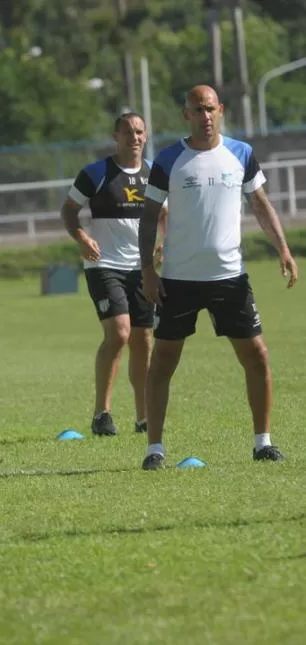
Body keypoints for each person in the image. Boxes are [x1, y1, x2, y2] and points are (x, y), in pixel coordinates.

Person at [138, 84, 298, 470]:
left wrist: (283, 249)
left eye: (210, 108)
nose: (205, 116)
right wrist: (147, 270)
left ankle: (263, 443)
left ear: (220, 110)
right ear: (186, 115)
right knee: (163, 361)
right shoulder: (169, 159)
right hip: (178, 279)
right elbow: (148, 216)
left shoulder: (240, 154)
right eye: (197, 109)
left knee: (256, 356)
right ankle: (154, 450)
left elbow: (260, 204)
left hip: (230, 278)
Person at [60, 113, 167, 437]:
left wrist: (165, 244)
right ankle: (101, 414)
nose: (134, 137)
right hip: (104, 265)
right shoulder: (96, 173)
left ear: (145, 136)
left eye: (139, 132)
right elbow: (68, 210)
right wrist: (81, 237)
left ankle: (143, 417)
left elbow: (165, 215)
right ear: (116, 136)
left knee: (142, 340)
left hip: (142, 269)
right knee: (120, 333)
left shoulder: (154, 174)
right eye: (127, 132)